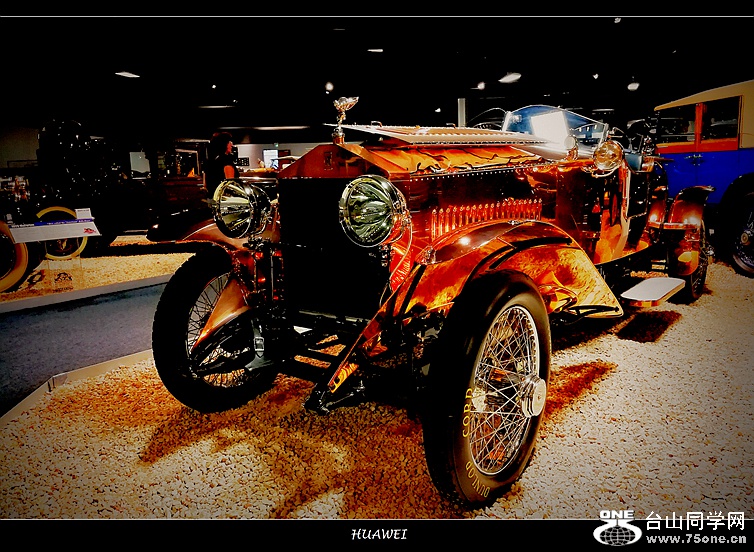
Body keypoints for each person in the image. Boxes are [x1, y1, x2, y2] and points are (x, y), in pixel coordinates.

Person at [204, 131, 239, 199]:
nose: (231, 145)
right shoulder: (226, 161)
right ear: (224, 144)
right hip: (224, 199)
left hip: (212, 198)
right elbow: (230, 185)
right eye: (229, 142)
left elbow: (206, 185)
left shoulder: (211, 161)